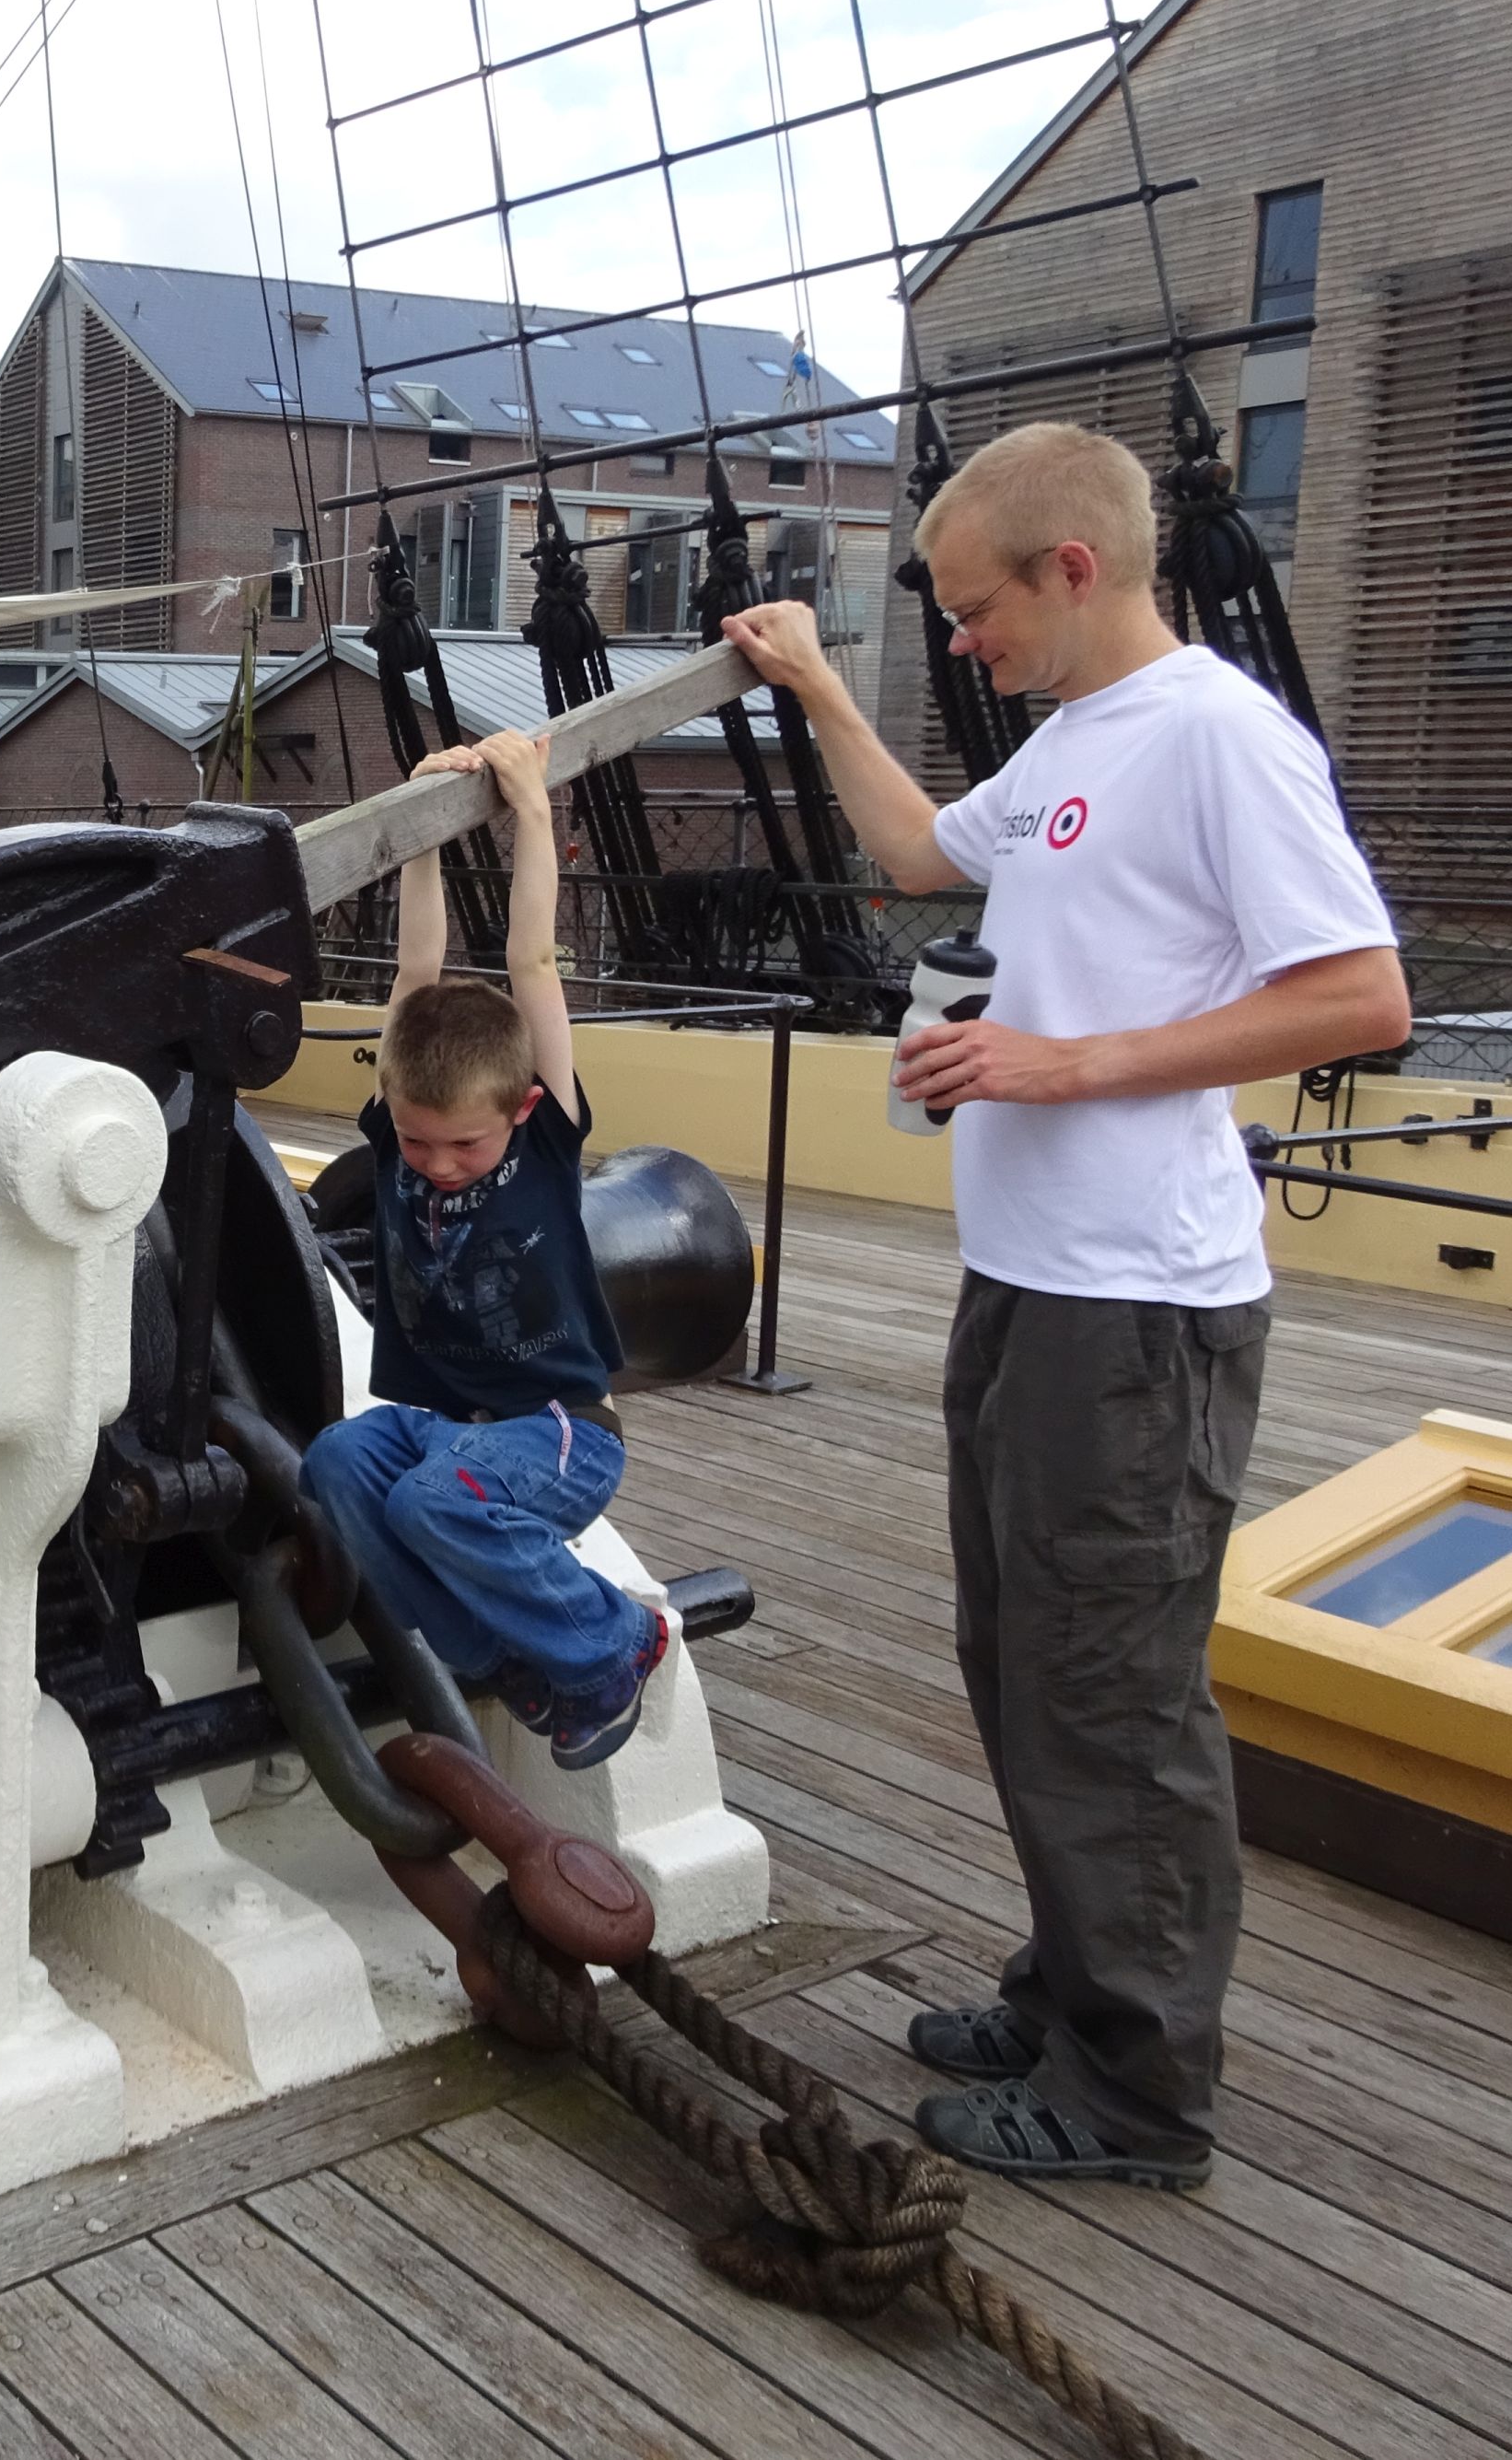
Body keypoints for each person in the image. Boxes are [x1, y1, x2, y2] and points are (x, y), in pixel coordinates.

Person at [722, 421, 1407, 2190]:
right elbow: (914, 855)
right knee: (1023, 1662)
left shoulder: (1216, 735)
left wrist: (1062, 1059)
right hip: (1027, 1281)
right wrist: (812, 686)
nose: (962, 640)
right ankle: (1070, 1989)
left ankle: (1133, 2090)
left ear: (1072, 567)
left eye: (973, 610)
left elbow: (1359, 997)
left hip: (1138, 1306)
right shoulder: (1066, 740)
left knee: (1108, 1686)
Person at [299, 728, 669, 1769]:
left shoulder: (546, 1138)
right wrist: (423, 828)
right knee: (336, 1465)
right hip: (443, 1429)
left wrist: (533, 812)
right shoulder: (402, 1129)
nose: (439, 1162)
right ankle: (501, 1658)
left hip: (558, 1429)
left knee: (435, 1500)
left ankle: (615, 1641)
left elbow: (531, 961)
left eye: (465, 1144)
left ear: (525, 1108)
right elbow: (418, 968)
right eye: (417, 1142)